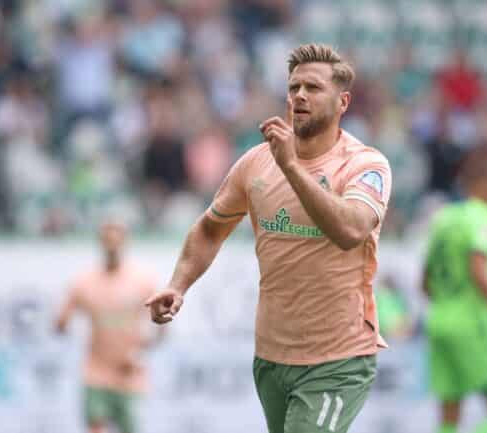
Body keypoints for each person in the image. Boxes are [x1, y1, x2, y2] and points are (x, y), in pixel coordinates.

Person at [146, 43, 392, 433]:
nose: (300, 96)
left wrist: (292, 168)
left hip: (338, 359)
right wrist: (178, 285)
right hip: (272, 357)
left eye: (313, 88)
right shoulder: (257, 163)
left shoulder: (365, 165)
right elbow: (211, 228)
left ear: (342, 102)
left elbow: (350, 230)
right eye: (294, 87)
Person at [422, 154, 487, 433]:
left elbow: (424, 283)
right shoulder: (486, 217)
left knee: (449, 418)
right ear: (483, 184)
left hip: (438, 322)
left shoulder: (443, 218)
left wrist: (447, 305)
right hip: (471, 322)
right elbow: (478, 269)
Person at [56, 222, 161, 433]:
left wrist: (141, 351)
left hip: (129, 373)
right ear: (101, 243)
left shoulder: (142, 281)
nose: (112, 247)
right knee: (96, 427)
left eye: (116, 241)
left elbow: (162, 325)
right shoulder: (84, 282)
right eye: (107, 242)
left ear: (125, 242)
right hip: (96, 373)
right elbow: (61, 323)